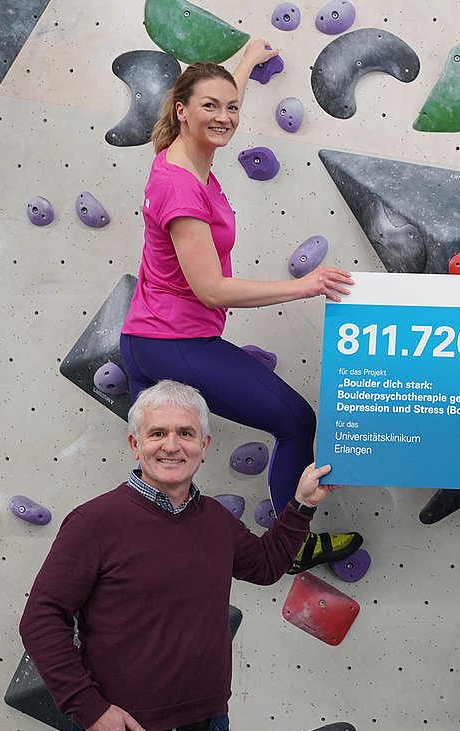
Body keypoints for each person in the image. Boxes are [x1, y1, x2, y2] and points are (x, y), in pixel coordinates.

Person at [20, 380, 338, 731]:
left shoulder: (215, 520)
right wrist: (90, 711)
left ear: (204, 446)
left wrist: (302, 504)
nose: (172, 446)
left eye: (186, 433)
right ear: (135, 445)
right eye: (158, 433)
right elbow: (41, 620)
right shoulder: (93, 523)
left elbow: (265, 566)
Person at [118, 41, 358, 571]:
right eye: (210, 107)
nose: (224, 117)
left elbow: (217, 107)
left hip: (148, 339)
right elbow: (213, 291)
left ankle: (145, 567)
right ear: (181, 110)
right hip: (175, 342)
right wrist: (305, 286)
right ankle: (290, 547)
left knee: (161, 482)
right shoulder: (181, 189)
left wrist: (245, 65)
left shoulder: (181, 154)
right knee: (295, 420)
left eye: (231, 107)